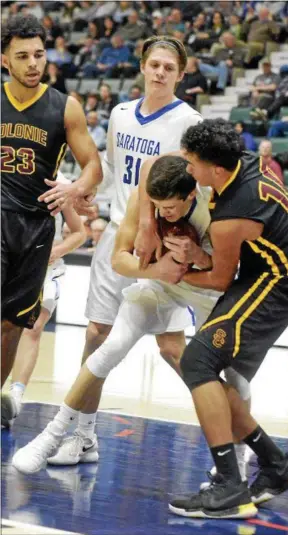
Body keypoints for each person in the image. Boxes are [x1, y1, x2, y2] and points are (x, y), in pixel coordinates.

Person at [11, 156, 249, 479]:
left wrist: (199, 257)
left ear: (191, 195)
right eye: (158, 207)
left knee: (233, 371)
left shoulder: (216, 207)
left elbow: (226, 272)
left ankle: (239, 453)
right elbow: (119, 260)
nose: (163, 214)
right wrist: (155, 269)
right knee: (109, 346)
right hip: (160, 282)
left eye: (170, 209)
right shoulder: (145, 199)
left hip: (206, 289)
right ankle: (51, 436)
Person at [148, 119, 288, 519]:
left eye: (192, 164)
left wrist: (178, 270)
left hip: (277, 284)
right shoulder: (245, 163)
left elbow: (221, 280)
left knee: (197, 362)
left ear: (215, 170)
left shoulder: (231, 215)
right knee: (205, 367)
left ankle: (229, 487)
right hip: (266, 275)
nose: (188, 170)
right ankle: (276, 466)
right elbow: (166, 161)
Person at [67, 36, 203, 441]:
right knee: (96, 333)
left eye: (169, 68)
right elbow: (111, 168)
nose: (160, 72)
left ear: (181, 74)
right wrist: (84, 192)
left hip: (163, 242)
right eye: (155, 65)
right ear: (142, 66)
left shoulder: (190, 123)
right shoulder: (121, 114)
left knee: (172, 348)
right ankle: (82, 434)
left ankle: (228, 432)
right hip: (116, 236)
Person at [1, 14, 102, 421]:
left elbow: (93, 164)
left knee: (12, 325)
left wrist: (77, 189)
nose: (33, 64)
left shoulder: (66, 107)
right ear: (4, 59)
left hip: (36, 228)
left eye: (39, 55)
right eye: (22, 55)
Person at [5, 172, 86, 426]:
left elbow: (79, 232)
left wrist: (57, 250)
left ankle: (16, 395)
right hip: (9, 255)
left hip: (45, 265)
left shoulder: (57, 183)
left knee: (34, 325)